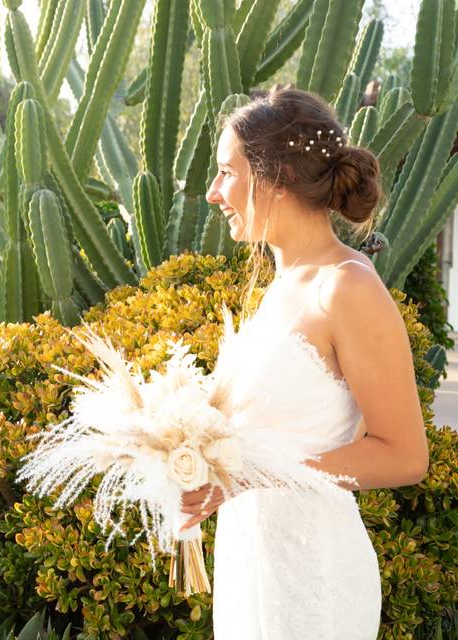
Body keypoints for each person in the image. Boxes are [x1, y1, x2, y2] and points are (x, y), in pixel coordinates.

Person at [181, 88, 428, 639]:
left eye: (226, 171)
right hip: (252, 568)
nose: (213, 191)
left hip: (314, 581)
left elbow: (405, 455)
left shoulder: (347, 287)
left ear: (279, 177)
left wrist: (248, 476)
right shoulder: (282, 286)